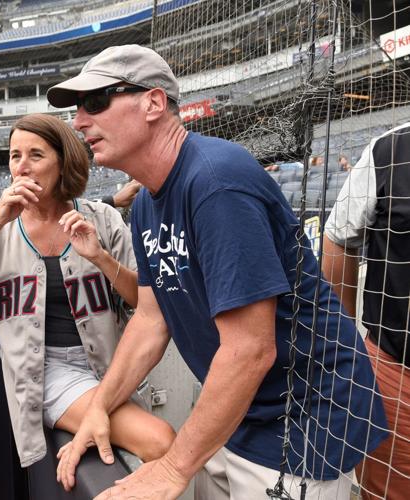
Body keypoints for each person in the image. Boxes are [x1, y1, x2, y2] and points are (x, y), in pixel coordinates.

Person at [46, 44, 387, 499]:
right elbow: (151, 318)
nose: (79, 122)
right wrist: (99, 409)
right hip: (239, 410)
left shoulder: (216, 182)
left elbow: (249, 350)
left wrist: (171, 469)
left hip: (304, 422)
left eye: (95, 102)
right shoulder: (148, 199)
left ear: (152, 103)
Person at [0, 113, 174, 469]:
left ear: (62, 163)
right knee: (161, 442)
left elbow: (145, 304)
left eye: (36, 155)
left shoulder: (102, 218)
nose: (23, 166)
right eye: (15, 156)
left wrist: (101, 259)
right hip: (46, 374)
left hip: (111, 365)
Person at [322, 122, 410, 500]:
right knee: (387, 489)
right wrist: (348, 344)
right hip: (396, 369)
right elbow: (338, 239)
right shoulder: (390, 149)